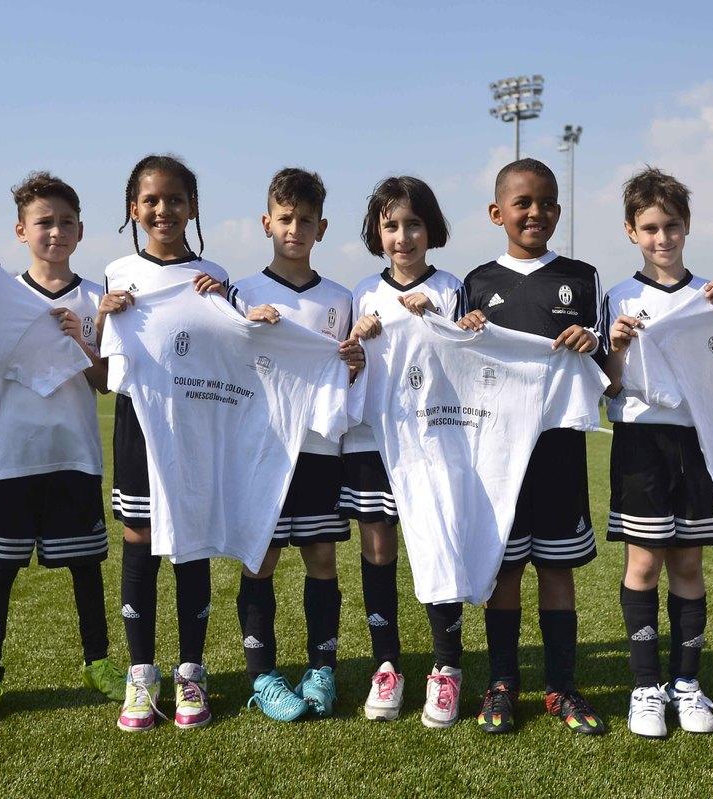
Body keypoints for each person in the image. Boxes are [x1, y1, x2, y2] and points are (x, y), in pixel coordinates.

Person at [0, 171, 126, 728]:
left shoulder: (97, 298)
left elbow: (106, 382)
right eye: (43, 222)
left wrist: (83, 339)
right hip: (12, 456)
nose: (55, 232)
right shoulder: (0, 295)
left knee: (86, 569)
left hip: (75, 454)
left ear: (81, 231)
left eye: (65, 222)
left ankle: (98, 663)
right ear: (21, 231)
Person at [458, 158, 608, 735]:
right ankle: (501, 683)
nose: (535, 212)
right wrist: (465, 333)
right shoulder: (476, 283)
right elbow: (458, 366)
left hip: (559, 449)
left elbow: (603, 360)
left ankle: (562, 686)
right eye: (522, 202)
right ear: (497, 213)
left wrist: (591, 340)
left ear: (559, 212)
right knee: (505, 571)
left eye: (546, 202)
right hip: (497, 454)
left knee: (557, 568)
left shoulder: (582, 277)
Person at [99, 154, 228, 732]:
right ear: (134, 209)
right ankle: (141, 674)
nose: (163, 210)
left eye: (175, 199)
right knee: (140, 538)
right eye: (151, 200)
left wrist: (227, 303)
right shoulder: (118, 272)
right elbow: (108, 368)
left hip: (196, 425)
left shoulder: (214, 275)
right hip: (138, 422)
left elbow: (232, 353)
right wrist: (102, 316)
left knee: (191, 538)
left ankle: (191, 672)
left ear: (192, 208)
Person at [228, 167, 361, 721]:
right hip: (262, 452)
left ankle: (321, 669)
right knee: (261, 559)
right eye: (285, 218)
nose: (295, 229)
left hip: (319, 450)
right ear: (267, 222)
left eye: (306, 220)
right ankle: (262, 676)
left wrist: (353, 362)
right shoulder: (242, 293)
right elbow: (227, 364)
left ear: (321, 228)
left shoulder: (340, 299)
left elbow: (350, 371)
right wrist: (243, 324)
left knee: (322, 556)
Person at [604, 167, 713, 737]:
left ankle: (686, 683)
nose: (663, 238)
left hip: (697, 442)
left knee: (687, 563)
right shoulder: (617, 296)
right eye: (651, 228)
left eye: (672, 226)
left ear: (687, 227)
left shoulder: (710, 295)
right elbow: (609, 385)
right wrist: (616, 346)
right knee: (644, 563)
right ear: (631, 231)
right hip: (640, 442)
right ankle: (645, 686)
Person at [341, 176, 468, 727]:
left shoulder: (452, 287)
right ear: (377, 232)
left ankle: (447, 668)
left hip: (435, 442)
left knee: (439, 546)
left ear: (430, 229)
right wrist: (356, 345)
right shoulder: (363, 293)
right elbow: (346, 366)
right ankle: (386, 665)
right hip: (373, 440)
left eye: (413, 224)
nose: (402, 236)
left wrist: (441, 320)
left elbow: (470, 359)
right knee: (377, 549)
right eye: (391, 225)